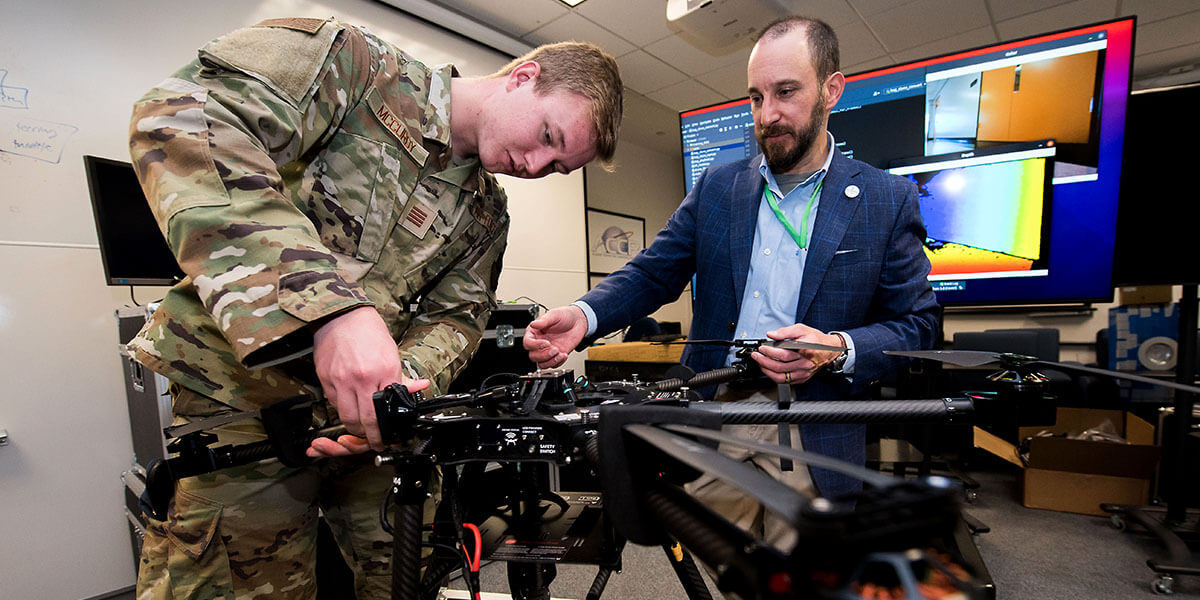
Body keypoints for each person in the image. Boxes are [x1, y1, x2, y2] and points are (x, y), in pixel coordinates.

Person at [126, 16, 622, 599]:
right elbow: (180, 118)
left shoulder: (488, 214)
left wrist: (393, 393)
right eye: (548, 137)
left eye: (558, 168)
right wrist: (332, 311)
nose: (538, 166)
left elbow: (456, 317)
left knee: (407, 579)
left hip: (372, 434)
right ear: (524, 77)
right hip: (242, 399)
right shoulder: (355, 65)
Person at [525, 16, 938, 551]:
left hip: (815, 425)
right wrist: (584, 316)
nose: (768, 114)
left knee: (804, 582)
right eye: (756, 96)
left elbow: (920, 325)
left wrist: (837, 347)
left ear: (831, 90)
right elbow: (654, 270)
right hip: (718, 414)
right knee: (725, 566)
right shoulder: (720, 187)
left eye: (786, 92)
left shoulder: (886, 199)